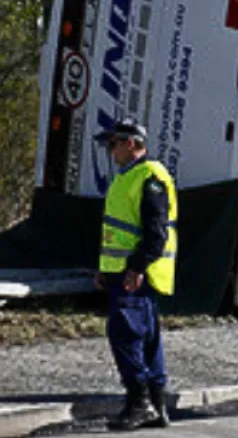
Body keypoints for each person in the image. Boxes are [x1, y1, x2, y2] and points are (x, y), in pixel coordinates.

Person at [92, 117, 177, 430]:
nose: (110, 151)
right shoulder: (128, 176)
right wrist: (105, 268)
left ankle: (139, 402)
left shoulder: (149, 177)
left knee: (126, 335)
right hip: (123, 271)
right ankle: (156, 404)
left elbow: (157, 232)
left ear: (130, 143)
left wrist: (136, 266)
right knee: (148, 338)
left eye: (113, 144)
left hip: (135, 274)